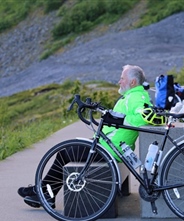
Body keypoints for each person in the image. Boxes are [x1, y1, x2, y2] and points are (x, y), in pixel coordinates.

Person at [18, 64, 160, 208]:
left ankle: (44, 192)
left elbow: (142, 117)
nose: (119, 81)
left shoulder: (135, 97)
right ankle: (44, 192)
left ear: (133, 82)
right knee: (66, 153)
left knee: (64, 154)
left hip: (110, 150)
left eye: (122, 78)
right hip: (108, 145)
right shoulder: (132, 96)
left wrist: (119, 121)